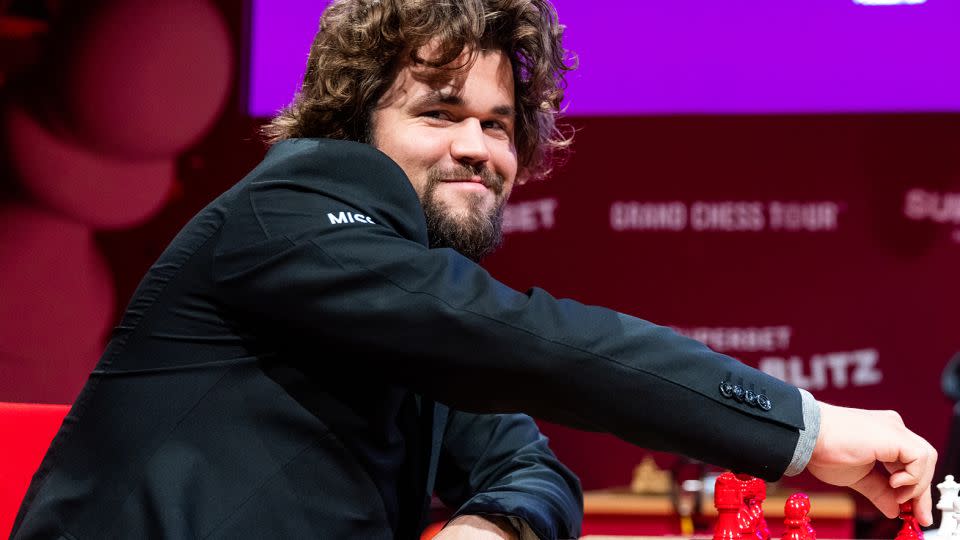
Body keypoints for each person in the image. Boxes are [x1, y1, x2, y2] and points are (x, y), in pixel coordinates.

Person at [12, 0, 936, 539]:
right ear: (352, 123)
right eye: (439, 111)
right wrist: (807, 433)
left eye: (498, 124)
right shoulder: (289, 210)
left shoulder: (395, 306)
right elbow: (531, 344)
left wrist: (488, 528)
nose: (476, 148)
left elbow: (532, 468)